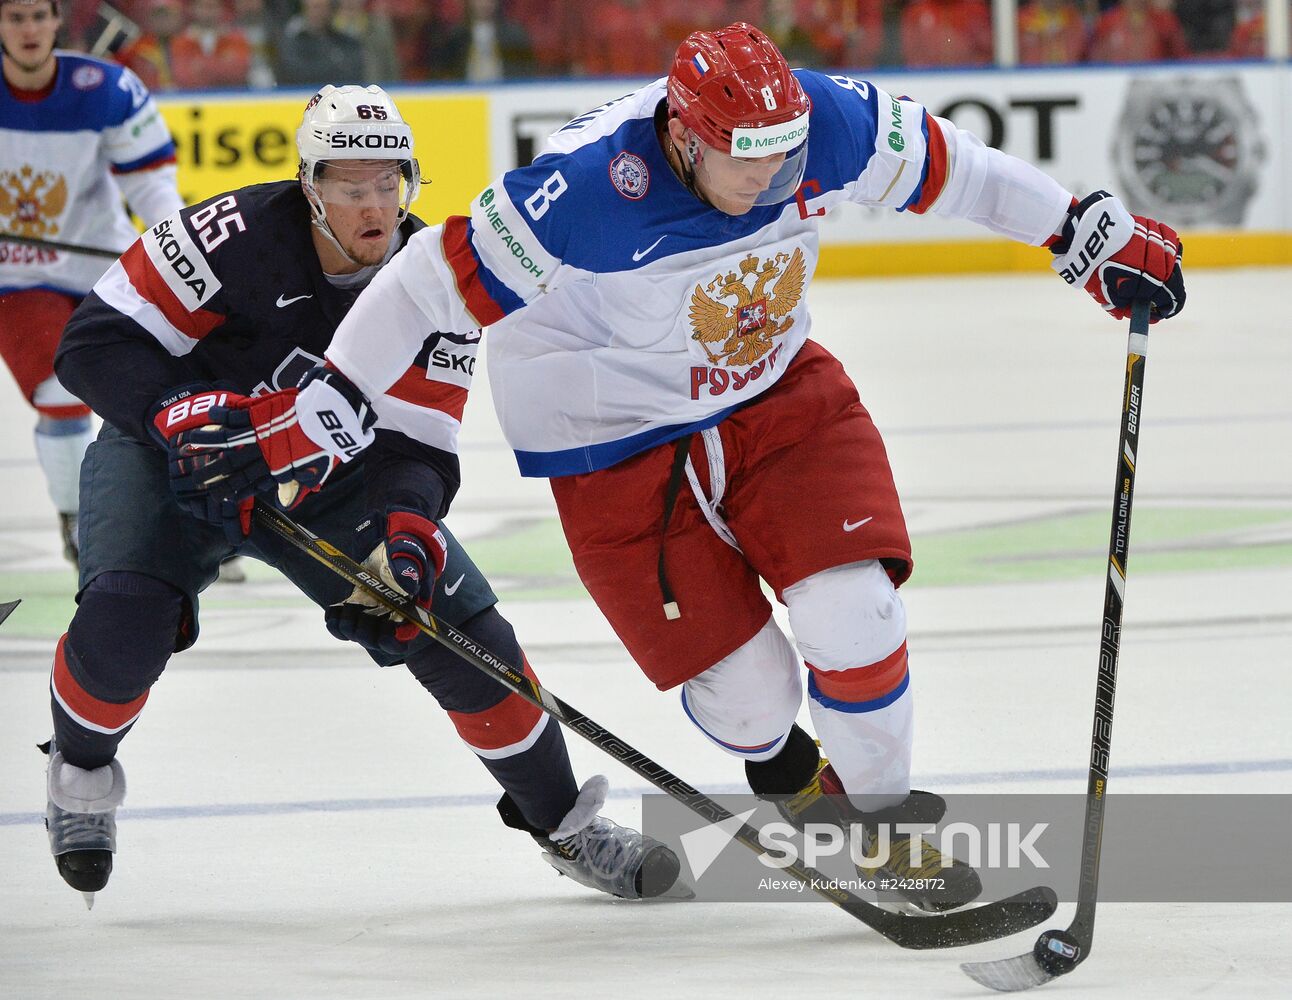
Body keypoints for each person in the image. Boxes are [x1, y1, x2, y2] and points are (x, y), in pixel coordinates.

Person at [180, 24, 1187, 911]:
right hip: (610, 433)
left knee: (856, 616)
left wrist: (1077, 230)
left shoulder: (814, 125)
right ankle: (786, 771)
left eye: (786, 154)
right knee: (751, 696)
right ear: (682, 137)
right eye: (748, 161)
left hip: (770, 389)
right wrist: (336, 394)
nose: (775, 179)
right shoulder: (580, 190)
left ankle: (876, 826)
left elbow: (951, 166)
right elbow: (418, 285)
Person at [41, 83, 682, 908]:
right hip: (177, 457)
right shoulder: (226, 235)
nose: (375, 204)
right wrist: (173, 414)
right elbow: (94, 343)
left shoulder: (434, 284)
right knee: (125, 615)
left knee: (458, 630)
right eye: (351, 185)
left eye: (390, 183)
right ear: (309, 185)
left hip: (329, 480)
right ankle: (81, 778)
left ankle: (563, 824)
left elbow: (418, 445)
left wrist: (407, 530)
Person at [0, 0, 182, 566]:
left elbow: (152, 183)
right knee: (62, 394)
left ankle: (194, 514)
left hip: (103, 271)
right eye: (14, 17)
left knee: (171, 386)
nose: (28, 29)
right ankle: (81, 519)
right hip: (16, 279)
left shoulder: (107, 88)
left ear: (57, 21)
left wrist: (176, 253)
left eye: (38, 16)